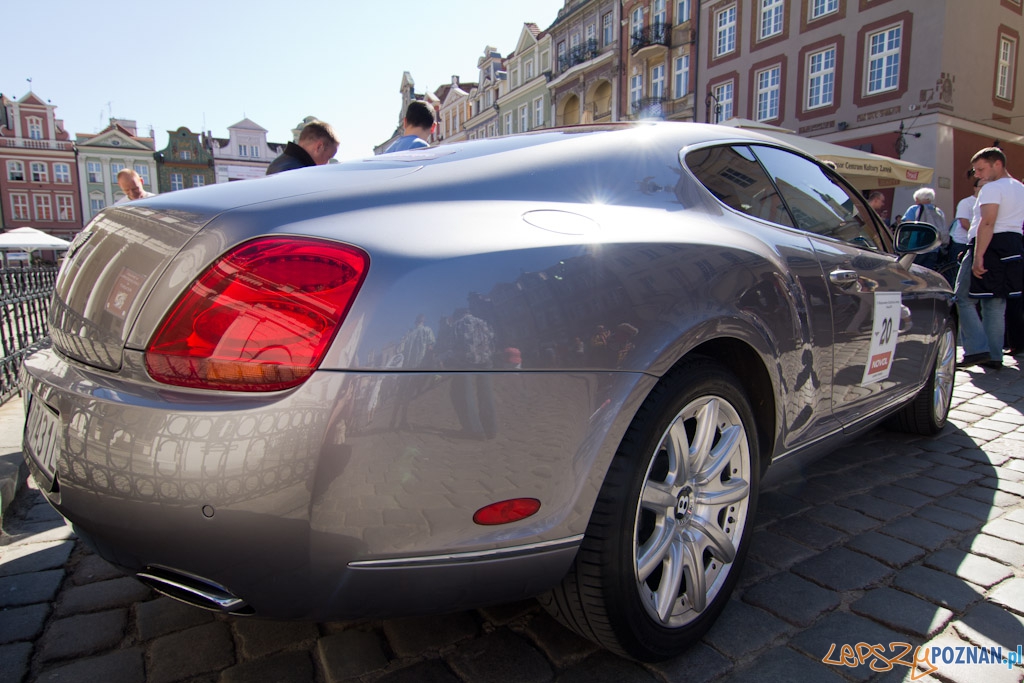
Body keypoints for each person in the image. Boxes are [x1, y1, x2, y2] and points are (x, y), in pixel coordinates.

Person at [956, 147, 1024, 370]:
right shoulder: (1020, 188)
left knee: (963, 298)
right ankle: (994, 355)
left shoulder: (992, 188)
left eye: (980, 169)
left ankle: (977, 349)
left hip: (989, 244)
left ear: (997, 164)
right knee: (995, 303)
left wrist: (978, 257)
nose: (977, 175)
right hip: (1013, 245)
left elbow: (987, 222)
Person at [266, 120, 339, 175]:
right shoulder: (302, 173)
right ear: (319, 146)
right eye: (328, 157)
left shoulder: (276, 165)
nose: (327, 163)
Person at [901, 187, 946, 271]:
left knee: (910, 272)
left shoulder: (914, 209)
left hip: (916, 248)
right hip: (933, 248)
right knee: (926, 273)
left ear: (918, 199)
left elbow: (907, 226)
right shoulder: (939, 212)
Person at [950, 172, 982, 271]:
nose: (983, 189)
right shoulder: (966, 202)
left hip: (977, 241)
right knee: (958, 270)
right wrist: (979, 234)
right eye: (981, 186)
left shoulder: (987, 203)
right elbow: (963, 222)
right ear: (975, 188)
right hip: (962, 241)